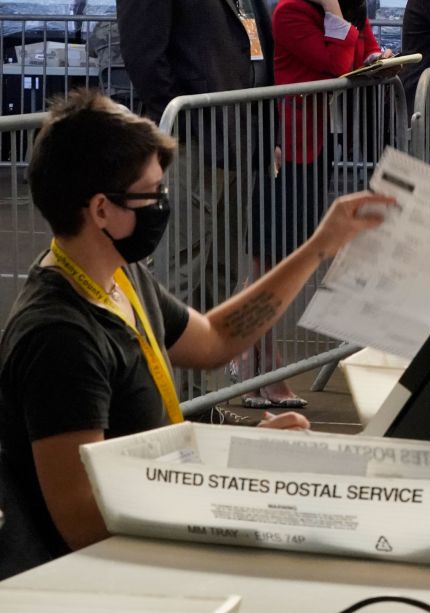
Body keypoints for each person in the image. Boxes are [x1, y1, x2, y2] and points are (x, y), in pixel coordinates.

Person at [0, 90, 393, 577]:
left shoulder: (118, 274)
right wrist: (227, 477)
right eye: (152, 194)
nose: (163, 205)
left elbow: (212, 341)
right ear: (101, 210)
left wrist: (320, 245)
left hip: (147, 554)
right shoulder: (60, 336)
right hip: (99, 580)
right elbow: (83, 523)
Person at [116, 0, 275, 312]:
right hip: (193, 144)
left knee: (222, 274)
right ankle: (171, 386)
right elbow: (145, 57)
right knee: (179, 273)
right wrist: (184, 128)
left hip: (242, 138)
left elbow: (253, 44)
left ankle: (206, 384)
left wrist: (264, 130)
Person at [238, 0, 391, 409]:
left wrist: (345, 20)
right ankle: (261, 369)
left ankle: (255, 363)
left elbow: (364, 55)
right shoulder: (291, 12)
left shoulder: (342, 10)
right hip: (284, 147)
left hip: (313, 144)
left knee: (285, 261)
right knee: (270, 265)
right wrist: (332, 10)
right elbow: (340, 66)